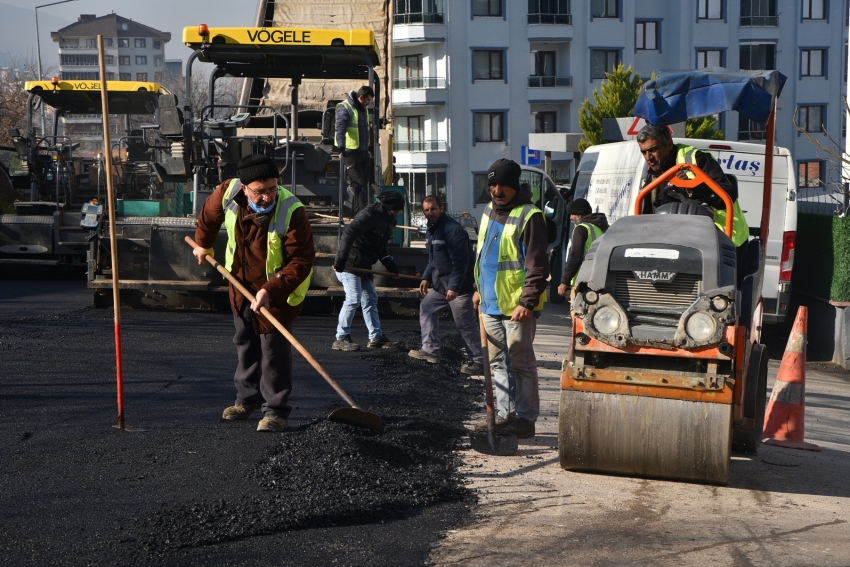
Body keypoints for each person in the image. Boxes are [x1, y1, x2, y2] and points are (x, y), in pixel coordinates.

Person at [192, 154, 315, 433]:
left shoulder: (292, 210)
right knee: (245, 340)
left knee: (273, 350)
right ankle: (247, 399)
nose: (267, 196)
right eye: (260, 191)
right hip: (239, 284)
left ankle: (275, 411)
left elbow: (302, 260)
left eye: (272, 188)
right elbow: (207, 218)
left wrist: (270, 290)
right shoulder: (227, 192)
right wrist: (203, 245)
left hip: (279, 291)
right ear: (245, 187)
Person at [472, 159, 550, 439]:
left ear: (515, 185)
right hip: (490, 305)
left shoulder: (530, 216)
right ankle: (503, 417)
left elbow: (538, 266)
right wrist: (478, 288)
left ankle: (526, 419)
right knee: (495, 364)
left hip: (517, 308)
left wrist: (527, 302)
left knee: (521, 363)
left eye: (503, 184)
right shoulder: (488, 212)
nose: (497, 190)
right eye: (492, 184)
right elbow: (484, 257)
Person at [637, 124, 750, 281]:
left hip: (724, 239)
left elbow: (728, 195)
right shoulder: (655, 174)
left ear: (668, 144)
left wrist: (692, 187)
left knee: (726, 293)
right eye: (644, 152)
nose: (648, 157)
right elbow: (646, 214)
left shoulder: (696, 159)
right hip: (682, 242)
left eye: (653, 149)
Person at [408, 195, 484, 375]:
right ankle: (430, 350)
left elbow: (461, 262)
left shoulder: (452, 230)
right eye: (426, 210)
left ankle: (479, 361)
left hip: (459, 288)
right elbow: (433, 260)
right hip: (442, 285)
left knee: (464, 323)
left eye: (433, 209)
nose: (430, 213)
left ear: (441, 208)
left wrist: (454, 287)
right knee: (427, 307)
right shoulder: (432, 230)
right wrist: (426, 277)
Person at [331, 190, 404, 352]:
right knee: (353, 298)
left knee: (371, 299)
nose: (400, 213)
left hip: (364, 265)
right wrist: (341, 260)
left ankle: (376, 337)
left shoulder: (388, 221)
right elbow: (349, 233)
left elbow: (382, 250)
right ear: (392, 209)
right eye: (399, 210)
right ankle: (341, 337)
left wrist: (392, 268)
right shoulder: (369, 214)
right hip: (350, 263)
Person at [557, 198, 609, 299]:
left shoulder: (581, 229)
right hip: (603, 278)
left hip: (583, 280)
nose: (571, 217)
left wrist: (564, 282)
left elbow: (576, 257)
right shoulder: (604, 228)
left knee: (579, 313)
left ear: (580, 214)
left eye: (572, 214)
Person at [336, 85, 374, 216]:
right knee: (359, 184)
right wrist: (341, 148)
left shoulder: (363, 109)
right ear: (361, 97)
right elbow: (340, 128)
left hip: (362, 152)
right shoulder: (345, 107)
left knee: (365, 185)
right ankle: (362, 216)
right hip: (350, 152)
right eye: (368, 100)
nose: (369, 103)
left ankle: (359, 214)